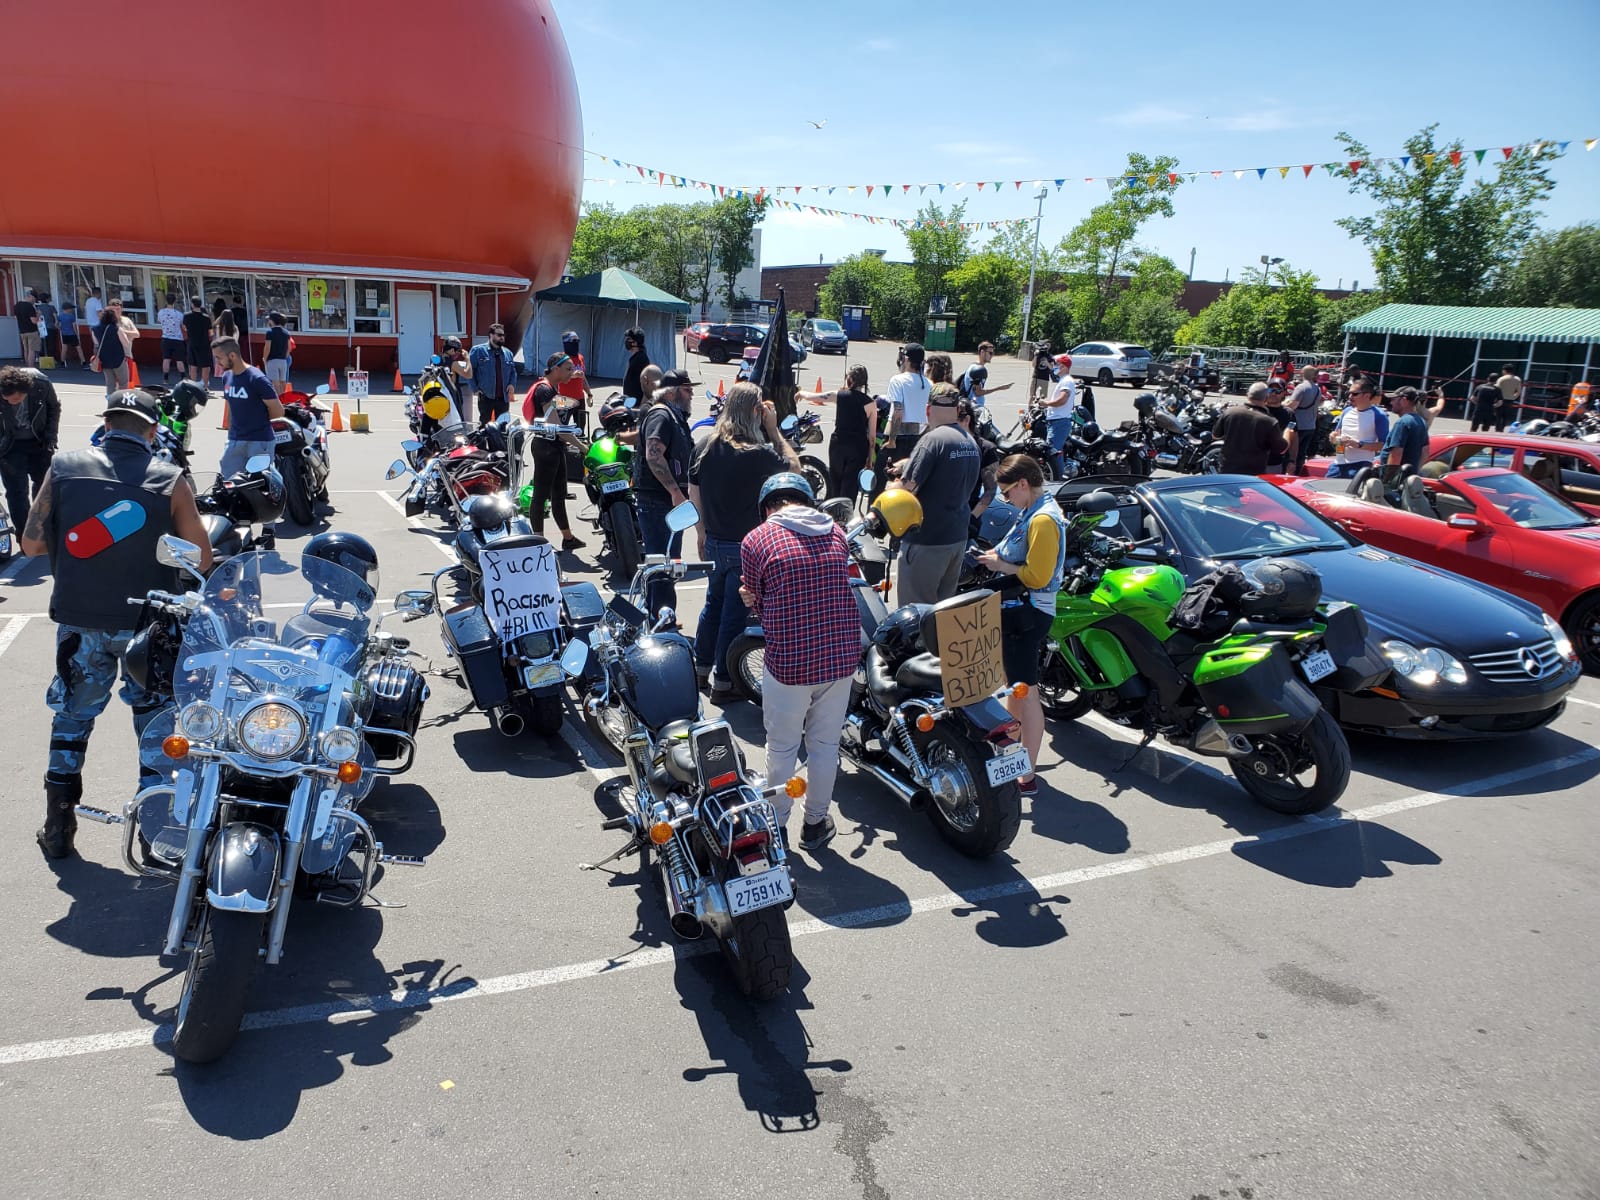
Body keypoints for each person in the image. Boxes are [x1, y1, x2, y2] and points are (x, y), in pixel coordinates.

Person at [19, 388, 212, 858]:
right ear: (152, 431)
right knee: (154, 726)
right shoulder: (170, 480)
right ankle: (155, 835)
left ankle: (59, 824)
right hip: (148, 627)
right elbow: (202, 557)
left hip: (81, 621)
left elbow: (30, 544)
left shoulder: (63, 468)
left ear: (107, 424)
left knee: (72, 717)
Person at [738, 471, 859, 851]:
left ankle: (775, 827)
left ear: (768, 506)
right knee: (824, 746)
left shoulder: (757, 538)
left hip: (790, 661)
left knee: (782, 748)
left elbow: (756, 595)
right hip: (839, 657)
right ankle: (816, 822)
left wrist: (750, 597)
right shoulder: (836, 532)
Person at [689, 382, 802, 701]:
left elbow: (693, 486)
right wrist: (774, 428)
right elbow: (795, 469)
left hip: (713, 540)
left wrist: (700, 530)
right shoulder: (759, 453)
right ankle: (724, 681)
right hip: (746, 547)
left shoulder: (705, 445)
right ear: (754, 411)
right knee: (734, 615)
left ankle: (701, 669)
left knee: (713, 606)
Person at [975, 453, 1067, 796]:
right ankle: (1016, 762)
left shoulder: (1043, 519)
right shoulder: (1036, 510)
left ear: (1023, 484)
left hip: (1029, 612)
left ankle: (1025, 774)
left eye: (1007, 492)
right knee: (1016, 689)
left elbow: (1038, 575)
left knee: (1025, 693)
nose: (1005, 499)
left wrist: (1000, 565)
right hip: (1024, 611)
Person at [897, 406, 981, 606]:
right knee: (943, 614)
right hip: (956, 537)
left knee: (915, 614)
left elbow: (907, 487)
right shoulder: (969, 441)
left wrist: (890, 487)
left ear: (928, 409)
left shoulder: (932, 439)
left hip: (927, 540)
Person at [633, 368, 697, 618]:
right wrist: (674, 491)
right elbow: (653, 453)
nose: (691, 394)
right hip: (658, 501)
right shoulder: (662, 414)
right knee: (662, 565)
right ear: (671, 393)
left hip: (667, 503)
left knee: (669, 563)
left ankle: (659, 616)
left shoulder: (673, 416)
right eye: (687, 389)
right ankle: (660, 620)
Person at [520, 351, 586, 550]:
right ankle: (538, 542)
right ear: (555, 369)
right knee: (540, 496)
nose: (570, 373)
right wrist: (583, 447)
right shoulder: (545, 390)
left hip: (553, 447)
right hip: (546, 447)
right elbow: (558, 428)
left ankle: (567, 538)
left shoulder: (550, 388)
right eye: (567, 369)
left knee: (559, 494)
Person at [796, 364, 876, 503]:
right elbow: (872, 436)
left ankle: (833, 511)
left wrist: (802, 393)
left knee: (835, 481)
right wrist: (870, 457)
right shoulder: (870, 404)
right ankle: (846, 516)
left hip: (838, 443)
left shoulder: (839, 395)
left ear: (849, 379)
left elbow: (816, 397)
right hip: (858, 447)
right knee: (850, 485)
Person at [0, 366, 60, 531]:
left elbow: (54, 408)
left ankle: (42, 528)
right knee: (16, 491)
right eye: (7, 399)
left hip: (39, 442)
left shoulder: (41, 384)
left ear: (25, 391)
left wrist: (51, 436)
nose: (12, 401)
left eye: (17, 398)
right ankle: (23, 532)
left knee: (44, 488)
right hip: (9, 447)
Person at [214, 337, 284, 476]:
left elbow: (278, 411)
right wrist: (231, 434)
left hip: (259, 442)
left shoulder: (257, 379)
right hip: (235, 441)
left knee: (259, 487)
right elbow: (231, 408)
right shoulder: (227, 377)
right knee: (229, 484)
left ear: (232, 356)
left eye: (219, 358)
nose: (217, 362)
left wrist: (257, 421)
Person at [1215, 383, 1292, 475]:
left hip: (1227, 468)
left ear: (1247, 395)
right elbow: (1282, 449)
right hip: (1252, 473)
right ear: (1266, 398)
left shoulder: (1230, 412)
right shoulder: (1269, 421)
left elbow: (1215, 436)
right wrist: (1288, 432)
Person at [1326, 378, 1389, 479]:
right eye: (1349, 393)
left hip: (1361, 465)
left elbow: (1384, 445)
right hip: (1339, 464)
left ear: (1367, 395)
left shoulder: (1379, 415)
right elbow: (1337, 436)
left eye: (1354, 394)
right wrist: (1334, 439)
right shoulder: (1346, 411)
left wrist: (1358, 444)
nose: (1350, 397)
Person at [884, 342, 930, 470]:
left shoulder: (897, 380)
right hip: (916, 435)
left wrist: (892, 440)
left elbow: (898, 412)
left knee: (888, 474)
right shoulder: (928, 383)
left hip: (897, 436)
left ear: (906, 359)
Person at [956, 396, 1001, 526]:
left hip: (967, 517)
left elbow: (990, 490)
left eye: (953, 421)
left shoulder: (986, 449)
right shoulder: (945, 445)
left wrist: (972, 518)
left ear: (966, 420)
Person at [469, 323, 516, 425]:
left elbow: (513, 372)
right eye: (499, 335)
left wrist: (512, 384)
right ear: (491, 335)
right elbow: (470, 371)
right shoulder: (478, 351)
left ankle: (500, 441)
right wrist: (475, 389)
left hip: (503, 398)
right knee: (484, 426)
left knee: (503, 427)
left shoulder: (508, 353)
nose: (502, 338)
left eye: (503, 335)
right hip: (486, 397)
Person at [1042, 353, 1078, 476]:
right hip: (1057, 421)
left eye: (1057, 365)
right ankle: (1058, 476)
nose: (1055, 367)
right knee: (1057, 453)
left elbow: (1062, 400)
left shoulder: (1067, 381)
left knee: (1052, 454)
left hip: (1059, 422)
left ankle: (1057, 480)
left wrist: (1046, 403)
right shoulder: (1063, 380)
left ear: (1064, 367)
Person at [92, 299, 137, 394]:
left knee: (110, 384)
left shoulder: (95, 329)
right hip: (118, 359)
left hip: (104, 360)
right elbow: (126, 343)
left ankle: (110, 401)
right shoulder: (117, 329)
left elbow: (96, 344)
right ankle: (121, 402)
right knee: (123, 383)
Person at [1382, 387, 1429, 474]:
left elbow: (1396, 455)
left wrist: (1389, 479)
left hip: (1396, 481)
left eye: (1393, 399)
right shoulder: (1421, 421)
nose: (1391, 402)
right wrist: (1413, 472)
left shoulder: (1402, 423)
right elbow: (1425, 453)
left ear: (1404, 400)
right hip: (1408, 479)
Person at [1289, 365, 1322, 474]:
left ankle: (1291, 474)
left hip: (1299, 425)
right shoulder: (1318, 389)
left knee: (1293, 453)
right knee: (1302, 453)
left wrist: (1283, 404)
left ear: (1302, 373)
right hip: (1310, 425)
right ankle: (1298, 473)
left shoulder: (1301, 387)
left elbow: (1293, 405)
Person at [558, 330, 593, 429]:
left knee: (581, 426)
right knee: (561, 426)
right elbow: (558, 376)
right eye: (573, 342)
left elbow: (583, 377)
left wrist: (589, 393)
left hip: (579, 398)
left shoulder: (580, 357)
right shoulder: (561, 358)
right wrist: (573, 375)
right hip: (563, 399)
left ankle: (579, 443)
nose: (576, 344)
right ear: (566, 343)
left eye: (577, 342)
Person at [962, 341, 1013, 405]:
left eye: (993, 353)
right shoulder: (979, 370)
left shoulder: (974, 366)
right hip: (975, 408)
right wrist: (999, 388)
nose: (992, 356)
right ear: (982, 352)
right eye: (990, 353)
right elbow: (978, 393)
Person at [1261, 384, 1297, 473]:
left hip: (1275, 463)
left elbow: (1294, 438)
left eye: (1277, 391)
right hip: (1253, 461)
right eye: (1270, 390)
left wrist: (1292, 460)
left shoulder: (1288, 413)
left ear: (1283, 393)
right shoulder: (1257, 410)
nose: (1273, 394)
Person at [156, 293, 188, 384]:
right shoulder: (179, 314)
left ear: (166, 301)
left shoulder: (161, 312)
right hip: (178, 339)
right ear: (175, 301)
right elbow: (183, 326)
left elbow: (159, 321)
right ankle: (183, 378)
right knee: (179, 360)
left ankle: (165, 379)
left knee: (166, 359)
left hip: (166, 338)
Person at [182, 297, 214, 388]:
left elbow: (184, 328)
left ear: (192, 304)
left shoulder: (186, 316)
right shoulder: (206, 317)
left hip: (192, 343)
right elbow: (211, 332)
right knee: (205, 366)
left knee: (193, 366)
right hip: (204, 344)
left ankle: (193, 387)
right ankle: (205, 386)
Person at [262, 310, 292, 395]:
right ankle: (283, 399)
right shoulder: (286, 333)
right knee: (283, 381)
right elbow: (289, 347)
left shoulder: (270, 332)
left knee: (275, 382)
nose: (269, 322)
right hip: (283, 361)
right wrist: (285, 357)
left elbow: (267, 347)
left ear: (272, 321)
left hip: (272, 360)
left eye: (269, 320)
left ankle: (279, 400)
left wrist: (265, 358)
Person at [441, 334, 473, 413]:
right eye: (458, 351)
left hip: (441, 396)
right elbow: (468, 374)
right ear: (452, 350)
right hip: (452, 398)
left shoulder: (436, 360)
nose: (458, 354)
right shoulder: (453, 364)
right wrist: (467, 359)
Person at [621, 327, 651, 401]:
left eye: (629, 339)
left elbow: (646, 383)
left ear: (635, 342)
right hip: (630, 400)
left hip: (636, 402)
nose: (627, 341)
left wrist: (642, 404)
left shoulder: (640, 358)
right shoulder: (636, 357)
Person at [13, 288, 40, 369]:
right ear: (30, 296)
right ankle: (31, 368)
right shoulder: (30, 306)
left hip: (22, 331)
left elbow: (15, 317)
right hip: (32, 331)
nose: (34, 301)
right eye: (34, 299)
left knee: (26, 350)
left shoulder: (17, 305)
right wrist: (38, 314)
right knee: (32, 350)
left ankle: (27, 368)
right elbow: (34, 321)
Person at [36, 291, 60, 364]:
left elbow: (37, 317)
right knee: (51, 344)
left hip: (41, 328)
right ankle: (52, 358)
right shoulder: (51, 307)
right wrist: (56, 323)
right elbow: (55, 317)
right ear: (47, 299)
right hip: (51, 327)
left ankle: (41, 358)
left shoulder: (38, 308)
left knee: (43, 343)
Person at [1029, 340, 1055, 406]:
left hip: (1045, 378)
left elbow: (1051, 368)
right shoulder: (1038, 354)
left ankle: (1041, 411)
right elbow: (1033, 365)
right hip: (1036, 377)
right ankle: (1030, 409)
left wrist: (1047, 362)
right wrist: (1035, 356)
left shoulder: (1050, 356)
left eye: (1048, 345)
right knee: (1032, 396)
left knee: (1042, 397)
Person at [1496, 364, 1523, 429]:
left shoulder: (1501, 379)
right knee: (1506, 416)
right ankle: (1502, 428)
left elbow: (1496, 389)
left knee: (1498, 415)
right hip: (1510, 400)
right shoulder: (1517, 379)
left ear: (1505, 370)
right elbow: (1519, 391)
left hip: (1500, 399)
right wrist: (1513, 397)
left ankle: (1498, 428)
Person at [57, 300, 82, 368]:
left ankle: (62, 361)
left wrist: (61, 329)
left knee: (64, 348)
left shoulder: (60, 316)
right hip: (72, 334)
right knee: (78, 347)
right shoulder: (71, 316)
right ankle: (83, 361)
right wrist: (77, 334)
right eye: (71, 308)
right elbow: (74, 326)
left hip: (64, 334)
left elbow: (57, 325)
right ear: (68, 309)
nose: (72, 310)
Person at [81, 287, 104, 360]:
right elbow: (99, 314)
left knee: (96, 343)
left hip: (90, 324)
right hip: (98, 325)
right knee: (100, 343)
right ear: (98, 293)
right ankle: (99, 360)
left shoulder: (88, 301)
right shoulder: (97, 302)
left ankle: (95, 361)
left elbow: (85, 312)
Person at [230, 295, 251, 363]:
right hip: (245, 334)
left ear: (234, 302)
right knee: (244, 352)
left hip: (235, 334)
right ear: (241, 302)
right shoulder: (246, 311)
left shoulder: (231, 311)